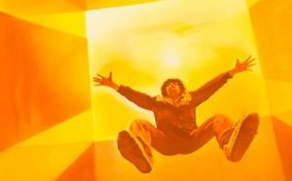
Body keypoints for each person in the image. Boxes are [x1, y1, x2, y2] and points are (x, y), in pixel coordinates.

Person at [93, 55, 258, 173]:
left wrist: (230, 73)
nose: (172, 86)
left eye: (175, 84)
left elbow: (209, 88)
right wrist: (116, 87)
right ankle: (143, 154)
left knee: (220, 118)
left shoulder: (191, 99)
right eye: (169, 85)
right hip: (166, 141)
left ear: (181, 89)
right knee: (138, 123)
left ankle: (230, 145)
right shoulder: (156, 103)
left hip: (191, 138)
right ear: (164, 90)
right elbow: (137, 97)